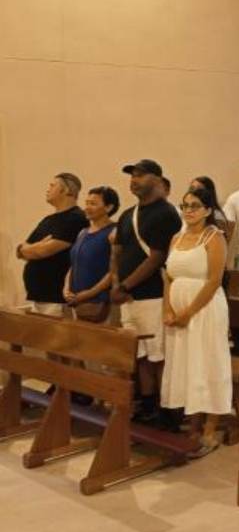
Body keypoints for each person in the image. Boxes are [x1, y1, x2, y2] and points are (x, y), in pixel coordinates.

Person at [161, 186, 232, 457]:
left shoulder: (214, 237)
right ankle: (192, 422)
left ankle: (211, 427)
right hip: (178, 311)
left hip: (204, 310)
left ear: (208, 210)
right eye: (185, 205)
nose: (189, 210)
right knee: (187, 365)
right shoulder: (176, 238)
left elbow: (214, 280)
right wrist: (168, 309)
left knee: (208, 363)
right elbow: (168, 276)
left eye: (195, 206)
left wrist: (188, 312)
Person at [111, 160, 183, 424]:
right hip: (127, 295)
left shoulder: (166, 213)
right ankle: (148, 402)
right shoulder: (127, 214)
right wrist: (116, 284)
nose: (134, 179)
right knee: (139, 354)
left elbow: (156, 257)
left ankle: (167, 408)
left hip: (152, 294)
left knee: (158, 354)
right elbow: (117, 253)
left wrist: (126, 285)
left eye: (140, 175)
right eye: (131, 175)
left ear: (157, 178)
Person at [17, 173, 89, 317]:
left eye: (53, 186)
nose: (48, 189)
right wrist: (28, 249)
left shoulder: (76, 218)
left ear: (67, 190)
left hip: (57, 297)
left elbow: (44, 251)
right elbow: (20, 252)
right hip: (39, 296)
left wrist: (32, 249)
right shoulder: (48, 220)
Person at [64, 186, 119, 322]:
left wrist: (89, 293)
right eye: (87, 203)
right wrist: (66, 289)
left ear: (108, 207)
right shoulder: (82, 232)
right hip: (78, 301)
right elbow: (74, 264)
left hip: (100, 302)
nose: (87, 207)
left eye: (93, 204)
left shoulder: (114, 232)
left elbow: (114, 271)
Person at [189, 177, 233, 243]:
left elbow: (222, 243)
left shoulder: (217, 216)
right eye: (192, 188)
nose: (194, 191)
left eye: (199, 188)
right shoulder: (188, 212)